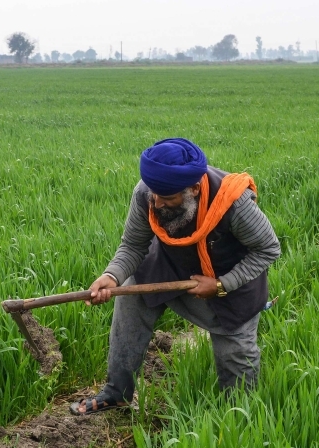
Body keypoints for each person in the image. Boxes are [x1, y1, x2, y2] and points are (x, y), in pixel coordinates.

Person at [70, 138, 281, 415]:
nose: (156, 203)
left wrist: (220, 284)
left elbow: (268, 249)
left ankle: (237, 417)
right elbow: (134, 245)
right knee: (132, 299)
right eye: (154, 195)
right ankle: (117, 393)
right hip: (170, 266)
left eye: (167, 198)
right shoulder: (148, 192)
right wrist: (112, 275)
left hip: (231, 282)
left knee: (237, 360)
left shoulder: (234, 203)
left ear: (193, 189)